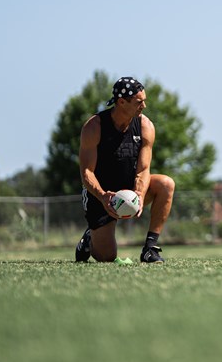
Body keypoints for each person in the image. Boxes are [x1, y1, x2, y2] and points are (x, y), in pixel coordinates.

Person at [75, 77, 175, 263]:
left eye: (144, 100)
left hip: (129, 187)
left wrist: (140, 193)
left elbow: (144, 169)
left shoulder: (146, 126)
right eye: (139, 102)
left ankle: (150, 249)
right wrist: (104, 196)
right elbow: (86, 173)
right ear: (121, 102)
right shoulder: (94, 127)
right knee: (106, 257)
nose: (144, 106)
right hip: (101, 194)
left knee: (166, 184)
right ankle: (90, 236)